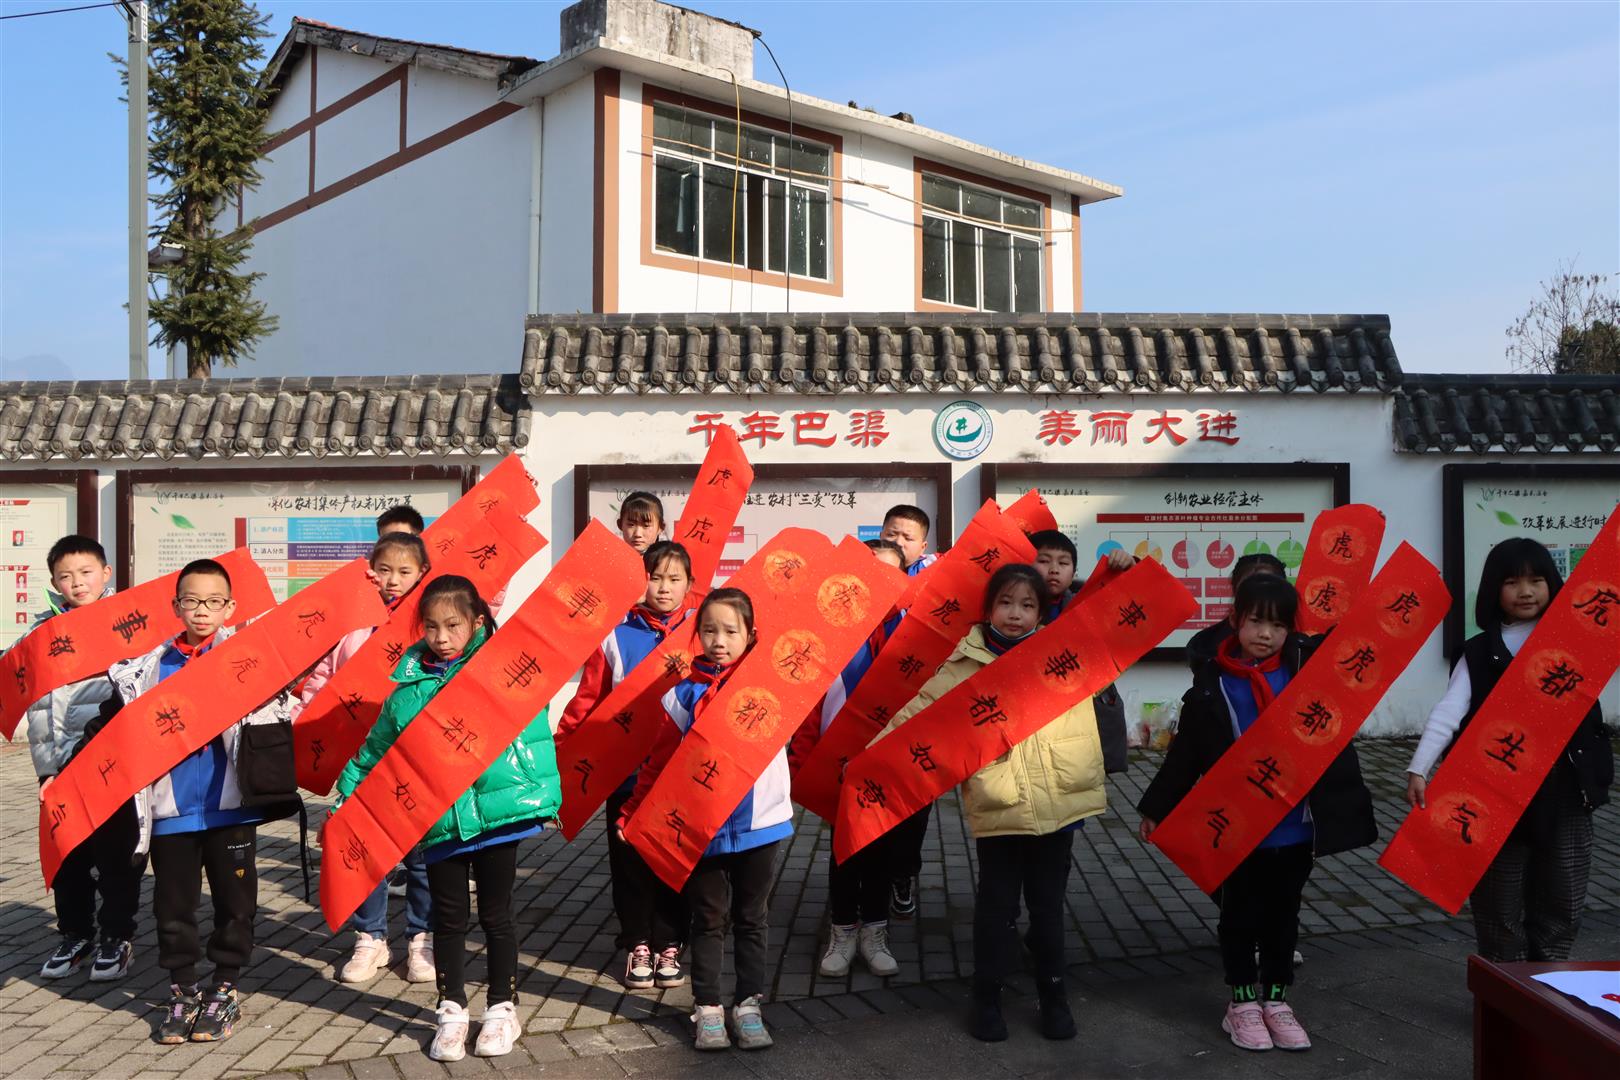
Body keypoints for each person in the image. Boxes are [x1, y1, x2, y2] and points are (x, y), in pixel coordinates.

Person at [1138, 575, 1377, 1053]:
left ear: (1291, 630)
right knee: (1239, 915)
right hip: (1238, 827)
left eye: (1276, 624)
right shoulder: (1213, 684)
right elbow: (1185, 754)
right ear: (1235, 621)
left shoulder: (1308, 678)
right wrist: (1156, 806)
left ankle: (1276, 998)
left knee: (1283, 916)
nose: (1265, 633)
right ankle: (1242, 1001)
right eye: (1255, 621)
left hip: (1295, 825)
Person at [872, 563, 1107, 1043]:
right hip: (1001, 802)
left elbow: (1112, 624)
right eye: (1005, 603)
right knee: (996, 909)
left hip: (1061, 799)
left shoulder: (1063, 651)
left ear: (1042, 612)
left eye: (1027, 605)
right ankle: (987, 997)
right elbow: (919, 715)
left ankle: (1054, 994)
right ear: (988, 609)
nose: (1015, 614)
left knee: (1048, 909)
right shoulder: (963, 663)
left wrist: (1119, 573)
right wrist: (875, 749)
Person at [332, 575, 559, 1062]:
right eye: (432, 626)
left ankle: (502, 1007)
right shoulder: (406, 691)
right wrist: (345, 798)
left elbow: (533, 723)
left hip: (499, 814)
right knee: (448, 920)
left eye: (453, 625)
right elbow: (374, 754)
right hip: (436, 820)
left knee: (497, 916)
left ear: (477, 622)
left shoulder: (502, 670)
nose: (441, 637)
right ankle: (451, 1010)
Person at [98, 559, 295, 1044]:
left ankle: (224, 987)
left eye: (213, 601)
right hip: (170, 813)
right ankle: (181, 990)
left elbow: (287, 708)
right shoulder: (146, 669)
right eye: (191, 600)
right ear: (176, 606)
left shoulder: (248, 657)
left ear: (229, 607)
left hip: (230, 806)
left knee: (236, 903)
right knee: (173, 907)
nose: (201, 610)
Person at [1404, 537, 1611, 962]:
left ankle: (1549, 989)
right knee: (1499, 901)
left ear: (1553, 584)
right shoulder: (1478, 652)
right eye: (1513, 582)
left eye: (1537, 580)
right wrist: (1419, 767)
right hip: (1495, 793)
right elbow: (1450, 711)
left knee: (1564, 897)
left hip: (1567, 791)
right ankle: (1505, 992)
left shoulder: (1578, 641)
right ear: (1493, 590)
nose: (1526, 591)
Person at [618, 588, 786, 1052]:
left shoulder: (775, 689)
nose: (718, 640)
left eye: (731, 631)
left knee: (753, 917)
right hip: (701, 827)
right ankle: (708, 1008)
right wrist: (633, 811)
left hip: (761, 821)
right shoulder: (680, 697)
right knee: (708, 920)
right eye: (709, 630)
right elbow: (656, 762)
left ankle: (748, 1005)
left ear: (752, 635)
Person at [297, 532, 436, 985]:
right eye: (385, 571)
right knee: (363, 848)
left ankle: (421, 936)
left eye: (405, 572)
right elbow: (321, 679)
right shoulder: (353, 624)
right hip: (362, 760)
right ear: (370, 572)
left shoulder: (430, 625)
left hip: (417, 760)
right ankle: (370, 937)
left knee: (420, 855)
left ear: (423, 575)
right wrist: (310, 724)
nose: (393, 581)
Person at [557, 540, 694, 991]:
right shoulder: (615, 634)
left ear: (690, 585)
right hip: (626, 771)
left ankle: (670, 941)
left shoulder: (699, 632)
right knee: (629, 861)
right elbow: (588, 699)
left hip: (681, 773)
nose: (664, 588)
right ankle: (637, 941)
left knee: (674, 857)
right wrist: (562, 747)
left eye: (675, 580)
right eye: (655, 578)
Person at [19, 536, 142, 982]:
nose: (77, 583)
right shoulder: (37, 633)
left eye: (86, 572)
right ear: (54, 581)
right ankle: (74, 934)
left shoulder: (129, 627)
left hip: (109, 763)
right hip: (57, 766)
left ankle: (117, 936)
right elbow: (36, 706)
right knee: (67, 854)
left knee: (115, 855)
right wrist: (47, 768)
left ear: (106, 574)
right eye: (65, 576)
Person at [789, 539, 905, 979]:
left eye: (891, 574)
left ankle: (875, 933)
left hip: (888, 761)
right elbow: (809, 702)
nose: (881, 582)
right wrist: (803, 762)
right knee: (843, 852)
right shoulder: (830, 630)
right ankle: (842, 930)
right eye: (871, 572)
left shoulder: (910, 633)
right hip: (836, 761)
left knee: (880, 851)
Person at [876, 504, 938, 916]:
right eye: (892, 533)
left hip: (917, 710)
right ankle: (859, 881)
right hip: (863, 709)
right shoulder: (862, 570)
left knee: (913, 802)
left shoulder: (938, 585)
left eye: (907, 537)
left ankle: (902, 873)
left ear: (923, 545)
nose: (898, 542)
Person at [1184, 552, 1286, 668]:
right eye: (1249, 591)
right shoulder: (1206, 650)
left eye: (1268, 590)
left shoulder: (1301, 654)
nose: (1265, 634)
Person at [878, 504, 936, 578]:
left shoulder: (935, 570)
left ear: (923, 547)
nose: (898, 542)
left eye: (908, 538)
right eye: (891, 535)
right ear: (880, 536)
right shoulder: (862, 564)